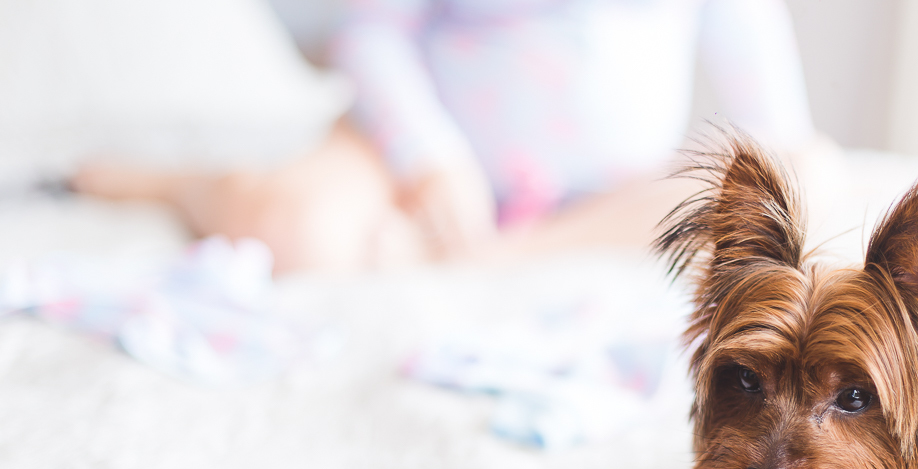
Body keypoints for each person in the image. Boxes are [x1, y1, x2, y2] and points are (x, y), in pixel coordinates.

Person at [76, 0, 824, 274]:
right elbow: (369, 34)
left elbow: (774, 124)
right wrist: (429, 157)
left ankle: (501, 257)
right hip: (415, 159)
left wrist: (782, 161)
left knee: (794, 181)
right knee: (290, 230)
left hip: (599, 196)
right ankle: (182, 184)